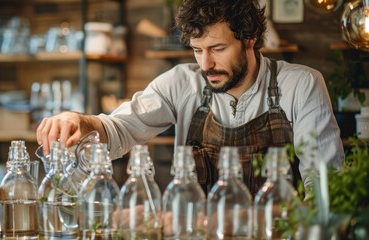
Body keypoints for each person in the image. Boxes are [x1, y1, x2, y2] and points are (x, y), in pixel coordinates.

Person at [37, 0, 344, 196]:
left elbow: (324, 187)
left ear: (249, 38)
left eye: (217, 49)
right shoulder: (182, 83)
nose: (205, 64)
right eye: (198, 50)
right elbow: (120, 128)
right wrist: (79, 120)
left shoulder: (301, 85)